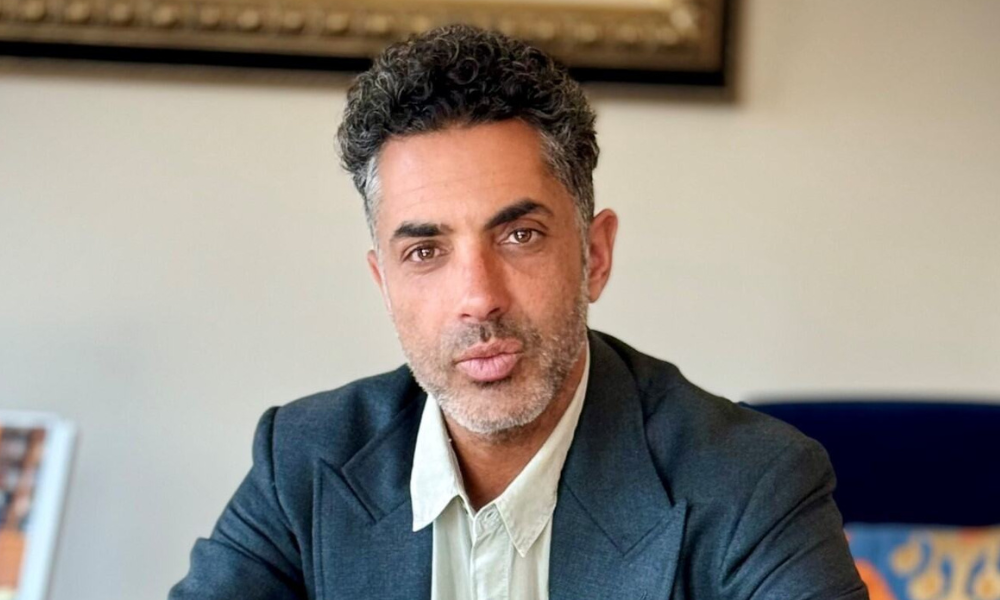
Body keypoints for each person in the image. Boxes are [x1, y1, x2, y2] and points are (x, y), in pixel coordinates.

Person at [170, 24, 868, 600]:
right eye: (425, 251)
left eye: (520, 236)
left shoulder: (752, 482)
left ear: (595, 256)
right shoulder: (304, 463)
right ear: (384, 284)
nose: (478, 297)